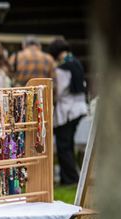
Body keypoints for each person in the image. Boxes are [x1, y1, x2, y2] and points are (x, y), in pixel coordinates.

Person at [48, 38, 88, 185]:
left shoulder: (62, 68)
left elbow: (60, 91)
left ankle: (72, 179)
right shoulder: (76, 62)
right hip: (79, 107)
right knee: (69, 144)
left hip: (67, 110)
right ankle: (68, 178)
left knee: (63, 146)